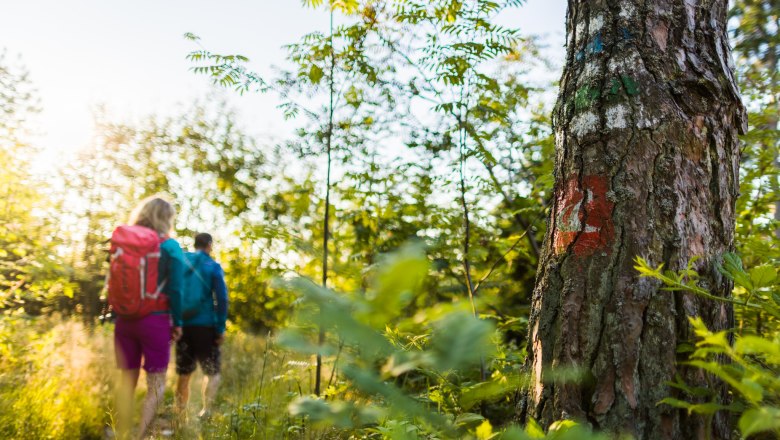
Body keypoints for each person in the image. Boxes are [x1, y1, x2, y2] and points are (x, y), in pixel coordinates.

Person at [113, 196, 184, 439]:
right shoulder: (170, 246)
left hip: (124, 320)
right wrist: (178, 323)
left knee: (127, 379)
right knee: (156, 383)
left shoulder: (125, 242)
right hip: (155, 320)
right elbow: (176, 289)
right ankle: (142, 435)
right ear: (166, 218)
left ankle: (120, 431)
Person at [175, 232, 228, 419]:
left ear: (195, 243)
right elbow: (221, 298)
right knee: (213, 373)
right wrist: (220, 328)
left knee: (184, 372)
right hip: (205, 326)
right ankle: (206, 412)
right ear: (209, 245)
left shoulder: (182, 262)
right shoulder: (212, 266)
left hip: (183, 325)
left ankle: (180, 416)